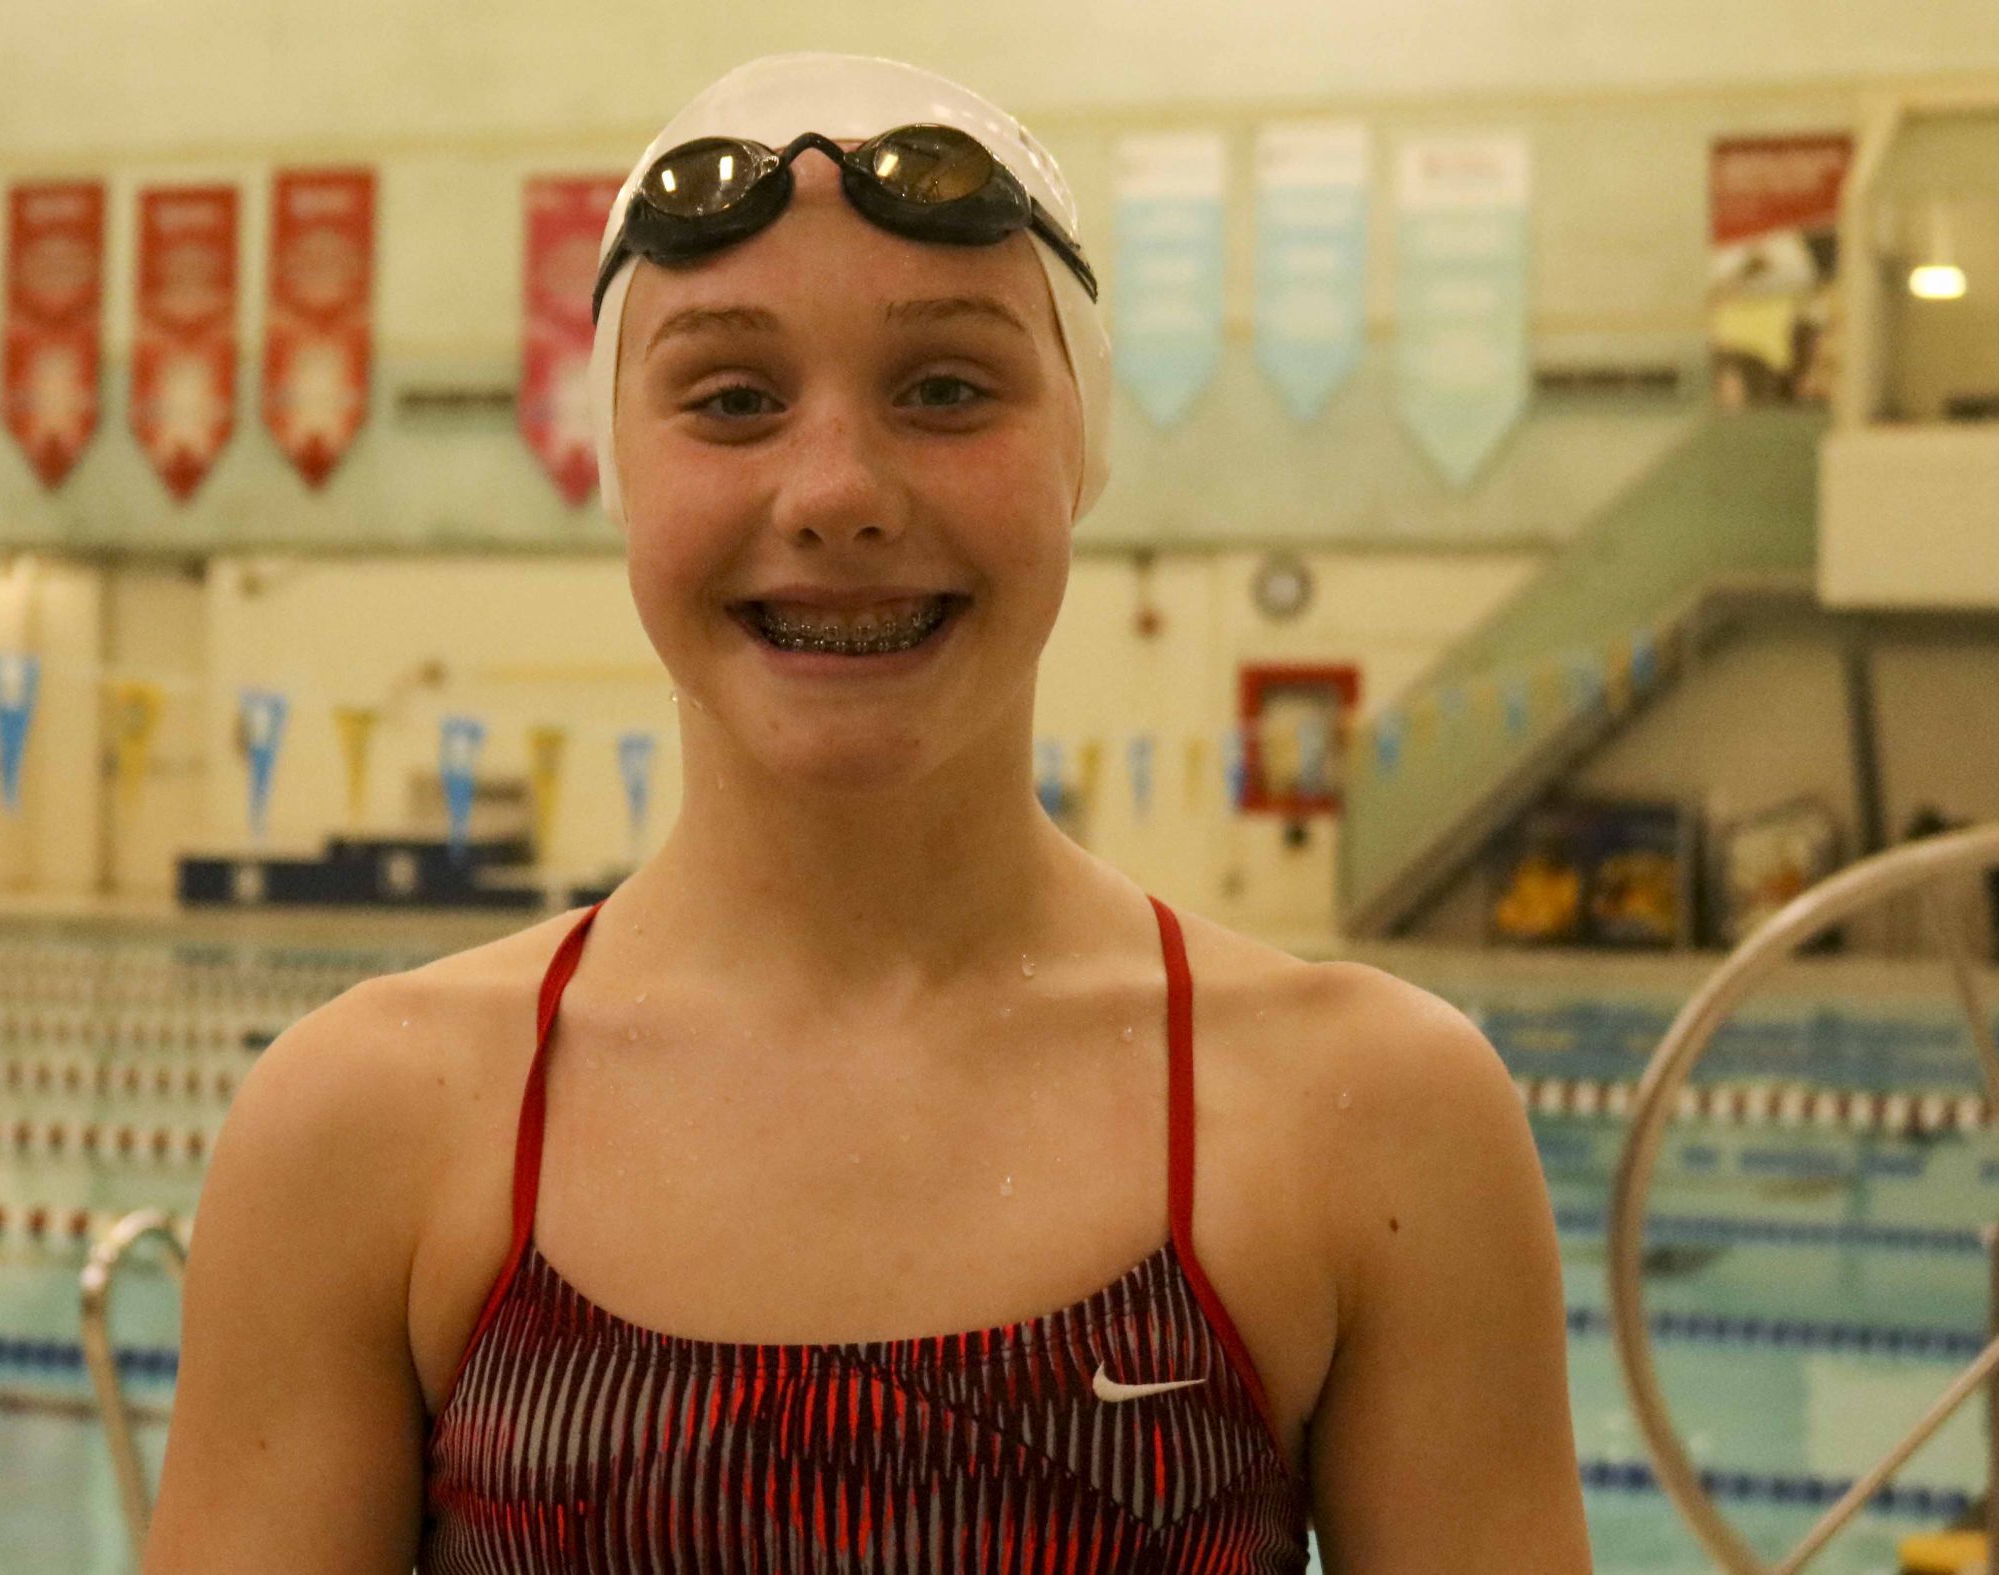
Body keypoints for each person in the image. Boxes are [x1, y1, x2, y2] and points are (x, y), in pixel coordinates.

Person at [145, 54, 1589, 1573]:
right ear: (619, 470)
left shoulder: (1369, 1119)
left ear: (1081, 450)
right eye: (733, 398)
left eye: (948, 388)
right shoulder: (369, 1128)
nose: (837, 490)